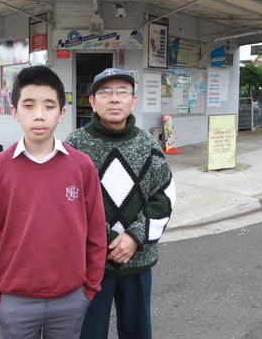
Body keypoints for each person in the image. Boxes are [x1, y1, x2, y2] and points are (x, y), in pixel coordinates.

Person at [0, 66, 107, 339]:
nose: (39, 114)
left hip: (71, 300)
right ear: (15, 111)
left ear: (61, 113)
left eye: (49, 105)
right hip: (13, 303)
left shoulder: (82, 166)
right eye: (29, 105)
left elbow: (96, 232)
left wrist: (88, 289)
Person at [66, 68, 176, 339]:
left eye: (122, 92)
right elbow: (66, 205)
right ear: (92, 101)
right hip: (89, 266)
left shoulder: (150, 145)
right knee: (88, 334)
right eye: (105, 92)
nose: (114, 99)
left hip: (138, 262)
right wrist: (107, 239)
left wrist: (135, 237)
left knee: (137, 332)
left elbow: (165, 197)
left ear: (133, 101)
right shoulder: (73, 147)